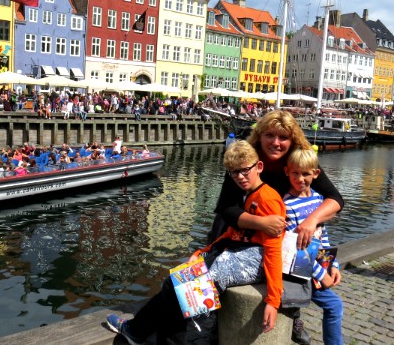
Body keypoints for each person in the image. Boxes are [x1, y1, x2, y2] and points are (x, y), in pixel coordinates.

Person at [106, 140, 286, 343]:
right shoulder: (248, 195)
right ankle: (138, 331)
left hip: (251, 260)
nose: (240, 177)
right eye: (234, 173)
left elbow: (273, 249)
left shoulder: (267, 198)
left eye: (245, 170)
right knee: (177, 290)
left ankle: (136, 330)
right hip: (238, 255)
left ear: (259, 167)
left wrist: (273, 300)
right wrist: (204, 251)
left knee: (176, 288)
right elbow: (232, 234)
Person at [208, 110, 345, 345]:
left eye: (283, 137)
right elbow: (227, 208)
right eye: (269, 135)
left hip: (280, 239)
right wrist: (261, 222)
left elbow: (335, 199)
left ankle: (294, 314)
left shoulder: (298, 163)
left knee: (293, 258)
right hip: (242, 228)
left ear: (292, 141)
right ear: (259, 136)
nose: (276, 142)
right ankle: (212, 326)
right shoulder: (247, 160)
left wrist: (311, 222)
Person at [284, 149, 343, 345]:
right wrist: (321, 275)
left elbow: (322, 237)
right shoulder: (287, 206)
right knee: (335, 306)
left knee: (334, 306)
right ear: (287, 172)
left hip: (314, 268)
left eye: (306, 173)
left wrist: (334, 265)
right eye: (295, 173)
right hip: (301, 271)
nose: (300, 179)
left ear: (316, 174)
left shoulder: (318, 199)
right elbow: (296, 251)